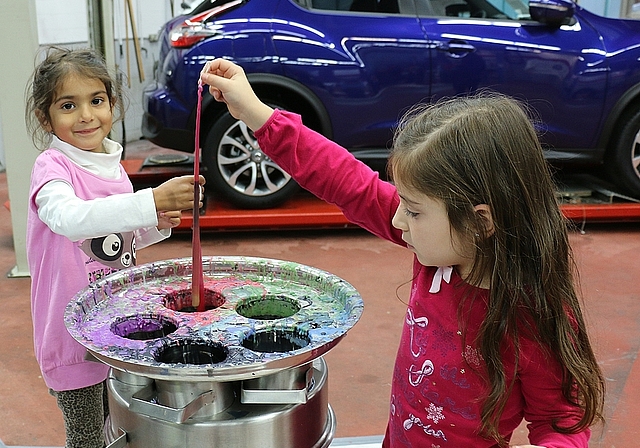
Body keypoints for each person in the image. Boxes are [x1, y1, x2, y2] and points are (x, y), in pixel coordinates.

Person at [199, 59, 605, 447]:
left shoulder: (532, 314)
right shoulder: (439, 251)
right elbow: (346, 180)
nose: (396, 221)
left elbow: (562, 423)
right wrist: (255, 111)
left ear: (480, 222)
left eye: (413, 210)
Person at [25, 46, 205, 448]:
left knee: (124, 433)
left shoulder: (112, 167)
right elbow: (70, 220)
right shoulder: (52, 169)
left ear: (113, 105)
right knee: (89, 439)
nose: (86, 115)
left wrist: (153, 224)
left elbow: (112, 242)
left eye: (97, 100)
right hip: (72, 343)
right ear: (46, 118)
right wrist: (149, 201)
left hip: (116, 334)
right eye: (68, 105)